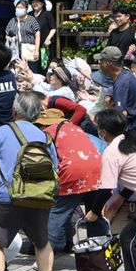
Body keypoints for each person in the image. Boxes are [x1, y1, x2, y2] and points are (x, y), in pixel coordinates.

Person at [0, 91, 59, 271]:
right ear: (36, 114)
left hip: (7, 197)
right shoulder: (45, 136)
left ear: (14, 110)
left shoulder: (0, 132)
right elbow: (54, 168)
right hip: (38, 197)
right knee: (42, 242)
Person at [86, 109, 136, 271]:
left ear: (103, 132)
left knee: (130, 239)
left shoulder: (112, 151)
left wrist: (94, 212)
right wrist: (122, 196)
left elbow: (106, 188)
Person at [34, 108, 102, 252]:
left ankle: (48, 252)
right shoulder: (76, 128)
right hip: (97, 169)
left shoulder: (49, 131)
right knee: (93, 212)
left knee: (58, 211)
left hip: (74, 172)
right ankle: (99, 250)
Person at [96, 46, 136, 132]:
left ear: (107, 63)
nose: (99, 63)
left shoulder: (122, 82)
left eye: (100, 60)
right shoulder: (124, 75)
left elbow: (121, 115)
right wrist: (109, 93)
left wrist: (109, 108)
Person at [5, 0, 41, 74]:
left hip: (29, 50)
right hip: (16, 51)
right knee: (18, 73)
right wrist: (9, 38)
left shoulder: (31, 19)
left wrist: (36, 50)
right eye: (17, 7)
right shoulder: (12, 20)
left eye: (21, 8)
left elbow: (37, 34)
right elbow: (7, 34)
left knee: (31, 71)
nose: (19, 9)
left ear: (26, 9)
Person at [31, 0, 56, 71]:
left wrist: (48, 39)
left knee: (45, 65)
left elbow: (53, 28)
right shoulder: (30, 14)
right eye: (33, 2)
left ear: (42, 4)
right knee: (33, 66)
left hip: (44, 44)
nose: (35, 4)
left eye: (37, 2)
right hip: (32, 45)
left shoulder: (47, 14)